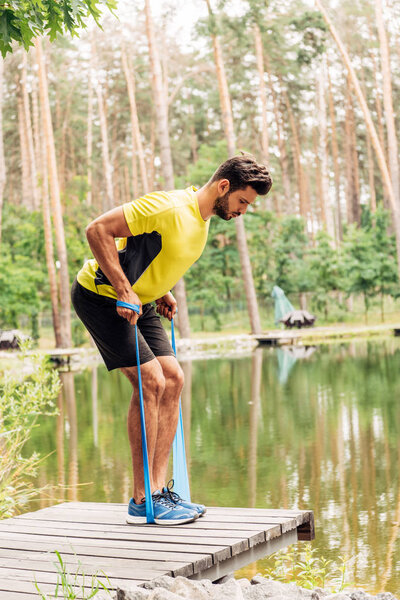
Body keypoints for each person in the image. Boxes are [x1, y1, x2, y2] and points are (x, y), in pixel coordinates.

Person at [71, 154, 272, 525]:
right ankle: (140, 500)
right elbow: (97, 230)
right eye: (243, 201)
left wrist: (161, 289)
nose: (244, 211)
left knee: (174, 378)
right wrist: (122, 288)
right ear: (224, 186)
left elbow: (156, 253)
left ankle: (160, 492)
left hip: (143, 299)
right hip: (103, 297)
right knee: (151, 380)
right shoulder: (167, 206)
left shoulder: (203, 220)